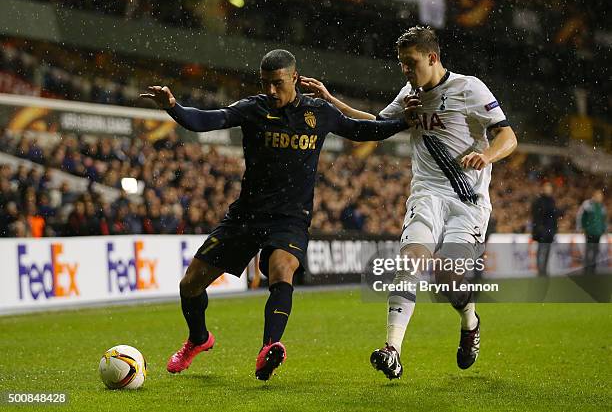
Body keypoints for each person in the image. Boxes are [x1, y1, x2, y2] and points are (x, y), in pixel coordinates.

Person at [140, 49, 410, 381]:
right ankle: (198, 339)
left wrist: (407, 121)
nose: (271, 91)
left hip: (290, 218)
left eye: (277, 83)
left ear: (294, 78)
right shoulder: (254, 108)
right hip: (246, 215)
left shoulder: (318, 111)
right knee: (190, 285)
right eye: (266, 83)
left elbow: (363, 131)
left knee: (282, 270)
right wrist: (173, 107)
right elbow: (208, 120)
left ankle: (269, 348)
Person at [300, 26, 517, 379]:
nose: (405, 69)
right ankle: (393, 350)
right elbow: (373, 125)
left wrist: (487, 156)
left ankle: (470, 320)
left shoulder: (469, 88)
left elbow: (508, 136)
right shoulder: (408, 94)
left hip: (468, 200)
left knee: (449, 277)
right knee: (410, 261)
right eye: (401, 63)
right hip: (427, 194)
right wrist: (330, 99)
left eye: (410, 62)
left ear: (432, 58)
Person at [531, 182, 562, 276]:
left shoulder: (552, 201)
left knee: (547, 251)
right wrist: (539, 228)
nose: (548, 190)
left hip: (550, 230)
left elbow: (554, 216)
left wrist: (554, 229)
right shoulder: (539, 201)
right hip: (542, 231)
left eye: (549, 188)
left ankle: (544, 270)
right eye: (546, 188)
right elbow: (536, 216)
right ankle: (540, 271)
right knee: (541, 251)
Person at [577, 190, 607, 274]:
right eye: (598, 195)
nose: (600, 197)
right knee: (588, 251)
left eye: (601, 196)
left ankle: (593, 269)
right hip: (590, 232)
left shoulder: (602, 206)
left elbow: (603, 220)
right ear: (594, 195)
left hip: (598, 233)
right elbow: (580, 216)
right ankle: (586, 269)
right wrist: (581, 228)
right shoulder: (588, 204)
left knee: (595, 251)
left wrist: (603, 229)